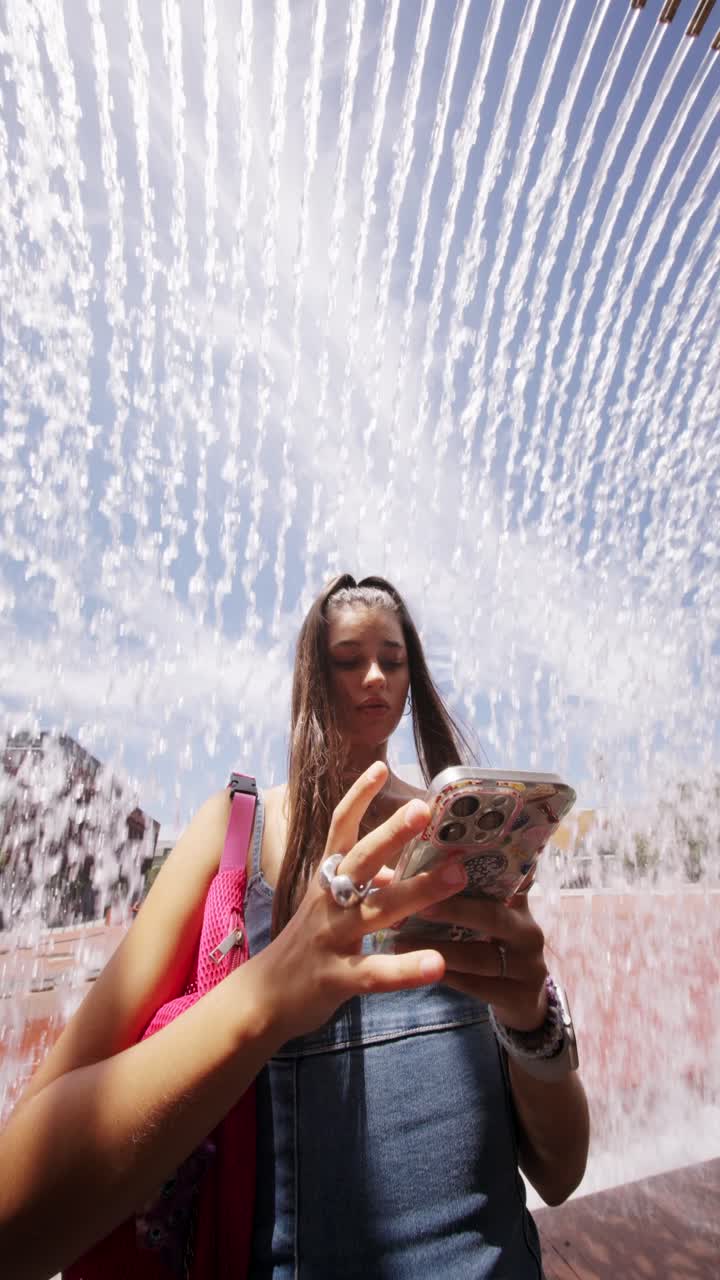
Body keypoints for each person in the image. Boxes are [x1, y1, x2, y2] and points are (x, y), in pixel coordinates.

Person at [0, 574, 589, 1279]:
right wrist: (269, 996)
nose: (373, 675)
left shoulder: (460, 841)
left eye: (393, 659)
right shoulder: (236, 827)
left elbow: (559, 1174)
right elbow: (19, 1220)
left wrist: (529, 1018)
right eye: (348, 658)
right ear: (313, 672)